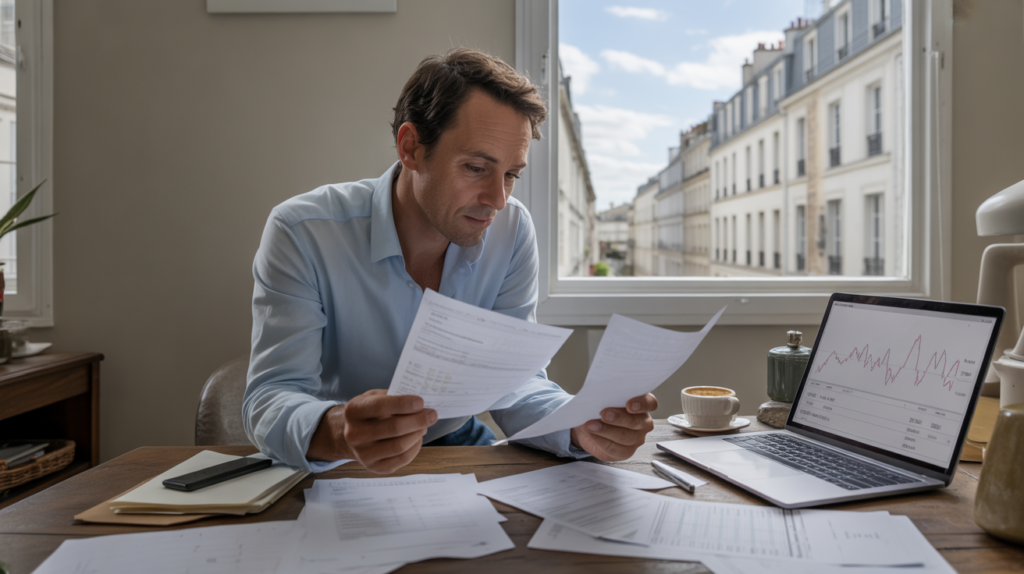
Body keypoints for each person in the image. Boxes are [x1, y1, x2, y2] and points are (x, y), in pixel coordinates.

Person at [243, 48, 658, 474]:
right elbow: (270, 397)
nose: (498, 200)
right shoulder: (304, 231)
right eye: (477, 167)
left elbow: (514, 382)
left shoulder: (513, 231)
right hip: (336, 457)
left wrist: (579, 426)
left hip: (455, 439)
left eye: (512, 174)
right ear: (411, 149)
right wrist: (338, 430)